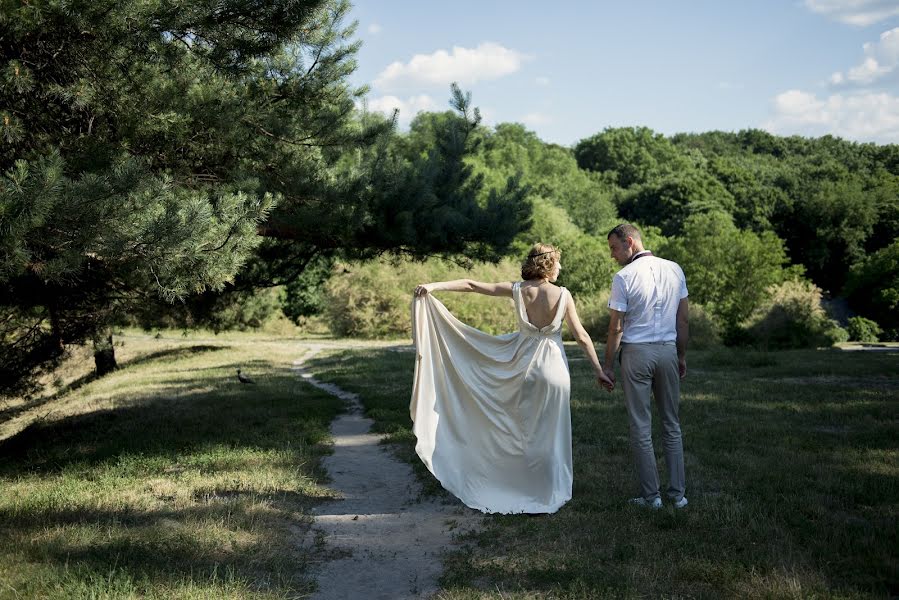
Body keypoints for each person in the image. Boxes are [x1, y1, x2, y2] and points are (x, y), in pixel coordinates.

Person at [411, 243, 612, 514]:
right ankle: (548, 488)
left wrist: (434, 286)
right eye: (558, 263)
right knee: (552, 432)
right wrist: (599, 370)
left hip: (524, 369)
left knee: (523, 429)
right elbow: (582, 336)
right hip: (554, 369)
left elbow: (472, 285)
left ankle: (520, 483)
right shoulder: (563, 295)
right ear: (549, 265)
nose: (560, 268)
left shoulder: (518, 290)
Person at [603, 223, 689, 510]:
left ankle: (652, 498)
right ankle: (678, 495)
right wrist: (681, 356)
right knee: (671, 424)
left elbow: (616, 328)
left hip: (636, 353)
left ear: (630, 242)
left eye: (614, 247)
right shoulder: (675, 269)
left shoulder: (624, 276)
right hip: (667, 350)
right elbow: (682, 321)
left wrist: (608, 365)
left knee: (641, 426)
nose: (613, 255)